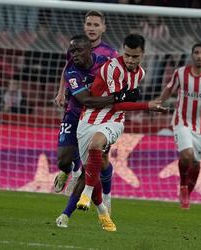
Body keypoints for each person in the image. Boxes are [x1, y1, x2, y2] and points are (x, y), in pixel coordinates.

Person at [75, 34, 166, 232]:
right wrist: (146, 105)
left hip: (114, 120)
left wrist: (139, 103)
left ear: (143, 54)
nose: (131, 60)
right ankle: (103, 212)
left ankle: (86, 192)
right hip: (89, 119)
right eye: (128, 55)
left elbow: (118, 109)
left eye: (136, 56)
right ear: (122, 51)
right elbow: (118, 102)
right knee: (92, 168)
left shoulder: (140, 73)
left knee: (96, 145)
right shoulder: (111, 68)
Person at [54, 35, 140, 229]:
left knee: (93, 166)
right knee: (63, 160)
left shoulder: (106, 63)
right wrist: (118, 98)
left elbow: (126, 74)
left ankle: (68, 214)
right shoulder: (71, 71)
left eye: (78, 51)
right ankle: (68, 171)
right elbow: (86, 100)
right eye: (72, 52)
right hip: (75, 115)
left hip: (102, 120)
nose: (74, 55)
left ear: (90, 51)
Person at [54, 10, 119, 199]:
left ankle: (104, 197)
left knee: (99, 156)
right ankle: (70, 170)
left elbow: (118, 79)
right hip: (75, 108)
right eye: (89, 24)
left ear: (103, 28)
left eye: (96, 25)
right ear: (84, 26)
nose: (92, 28)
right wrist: (60, 92)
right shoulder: (74, 48)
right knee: (63, 159)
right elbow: (67, 69)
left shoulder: (110, 54)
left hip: (98, 114)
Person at [158, 43, 201, 209]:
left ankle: (187, 194)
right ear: (192, 55)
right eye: (196, 52)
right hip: (181, 121)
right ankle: (183, 185)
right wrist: (158, 103)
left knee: (196, 164)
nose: (199, 56)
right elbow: (168, 90)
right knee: (187, 155)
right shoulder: (181, 73)